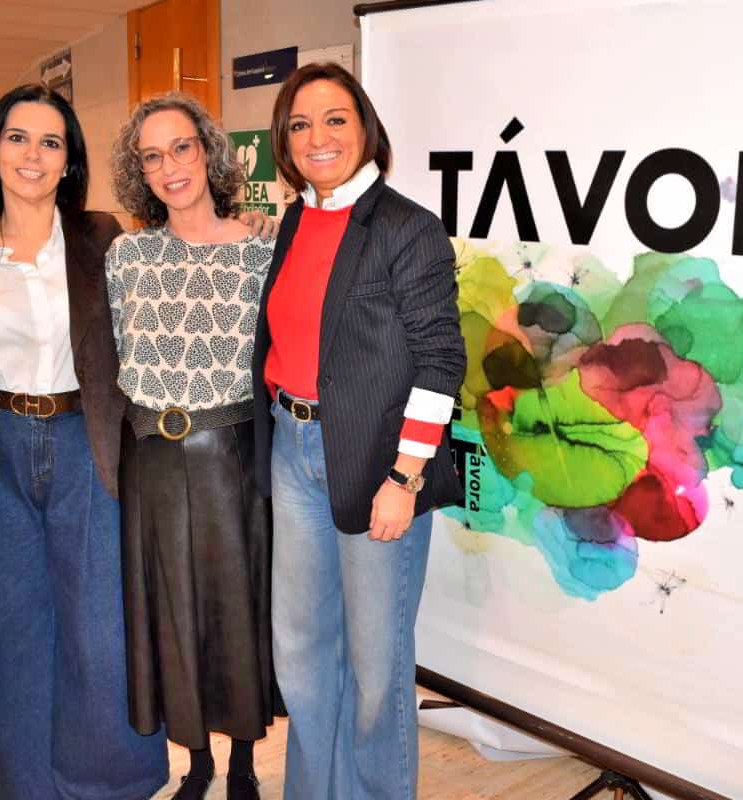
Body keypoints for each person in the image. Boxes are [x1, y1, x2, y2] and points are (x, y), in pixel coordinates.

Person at [0, 83, 168, 799]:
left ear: (68, 160)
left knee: (100, 629)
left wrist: (241, 229)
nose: (33, 154)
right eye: (18, 138)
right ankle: (18, 785)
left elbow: (168, 282)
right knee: (7, 634)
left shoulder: (100, 239)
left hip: (88, 447)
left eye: (51, 142)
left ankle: (108, 784)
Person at [254, 62, 466, 800]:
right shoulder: (295, 220)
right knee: (302, 653)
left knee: (377, 669)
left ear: (366, 128)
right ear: (284, 141)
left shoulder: (408, 228)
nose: (318, 136)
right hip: (293, 450)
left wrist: (406, 476)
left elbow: (441, 360)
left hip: (380, 464)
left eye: (335, 119)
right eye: (300, 124)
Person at [107, 92, 281, 800]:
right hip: (150, 458)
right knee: (170, 610)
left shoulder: (262, 248)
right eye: (151, 156)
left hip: (232, 457)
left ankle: (241, 762)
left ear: (208, 152)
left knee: (236, 608)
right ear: (139, 173)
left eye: (181, 147)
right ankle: (196, 762)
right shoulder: (126, 255)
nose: (170, 166)